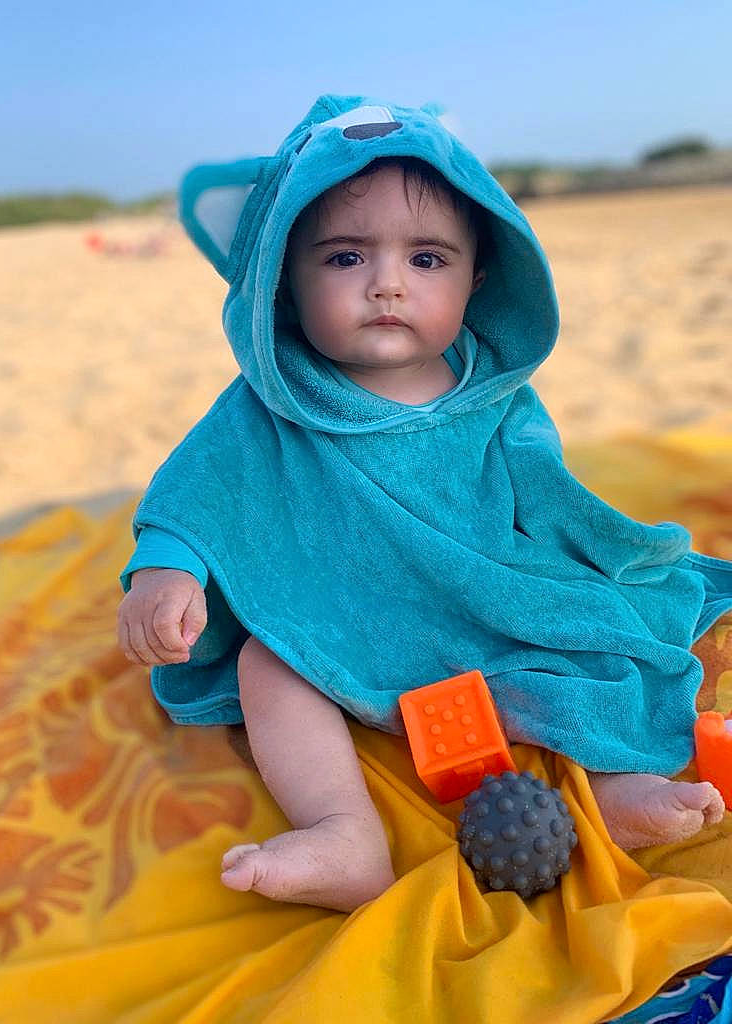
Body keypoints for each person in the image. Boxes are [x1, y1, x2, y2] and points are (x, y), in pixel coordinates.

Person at [117, 96, 732, 913]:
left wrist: (600, 555)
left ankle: (617, 785)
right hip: (340, 605)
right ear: (283, 281)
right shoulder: (276, 398)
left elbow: (547, 494)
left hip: (487, 590)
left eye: (428, 261)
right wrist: (167, 571)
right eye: (342, 258)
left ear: (478, 277)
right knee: (271, 663)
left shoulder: (490, 393)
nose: (386, 285)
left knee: (592, 635)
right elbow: (199, 490)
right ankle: (343, 831)